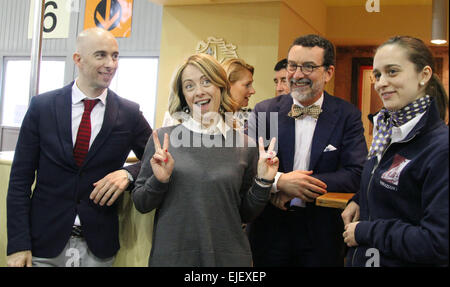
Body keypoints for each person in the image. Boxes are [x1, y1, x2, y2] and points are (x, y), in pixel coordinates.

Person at [6, 27, 152, 267]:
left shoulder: (128, 113)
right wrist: (18, 244)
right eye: (101, 55)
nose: (110, 64)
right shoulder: (42, 107)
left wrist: (127, 173)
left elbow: (155, 156)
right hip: (43, 245)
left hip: (98, 248)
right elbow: (19, 181)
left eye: (115, 56)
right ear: (78, 59)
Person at [131, 53, 279, 267]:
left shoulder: (245, 146)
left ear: (221, 86)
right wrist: (159, 180)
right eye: (189, 86)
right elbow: (141, 203)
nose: (198, 91)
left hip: (228, 259)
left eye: (206, 81)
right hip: (174, 258)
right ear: (183, 95)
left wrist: (263, 182)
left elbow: (246, 213)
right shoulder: (163, 139)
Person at [246, 34, 367, 266]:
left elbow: (356, 172)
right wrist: (280, 182)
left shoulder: (347, 115)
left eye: (309, 67)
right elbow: (247, 165)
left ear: (328, 72)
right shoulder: (263, 112)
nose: (297, 74)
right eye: (293, 66)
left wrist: (298, 187)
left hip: (322, 233)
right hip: (268, 230)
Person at [342, 36, 449, 267]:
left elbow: (438, 243)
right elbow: (394, 188)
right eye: (378, 74)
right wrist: (361, 199)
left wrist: (366, 231)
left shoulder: (441, 148)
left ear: (424, 75)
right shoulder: (386, 131)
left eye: (392, 72)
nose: (381, 83)